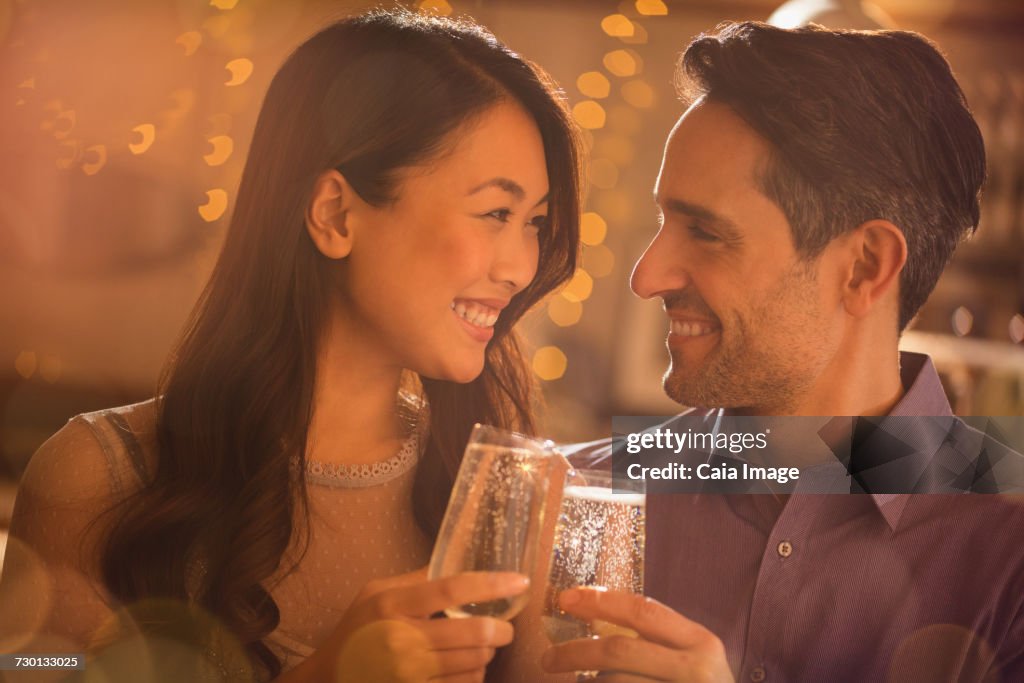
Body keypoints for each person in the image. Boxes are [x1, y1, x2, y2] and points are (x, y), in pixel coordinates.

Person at [0, 9, 582, 682]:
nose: (520, 266)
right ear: (335, 213)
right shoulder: (96, 477)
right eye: (495, 213)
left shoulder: (503, 496)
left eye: (535, 222)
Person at [527, 20, 1024, 683]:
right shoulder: (578, 495)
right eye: (662, 222)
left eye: (705, 231)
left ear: (865, 266)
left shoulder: (1010, 555)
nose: (646, 277)